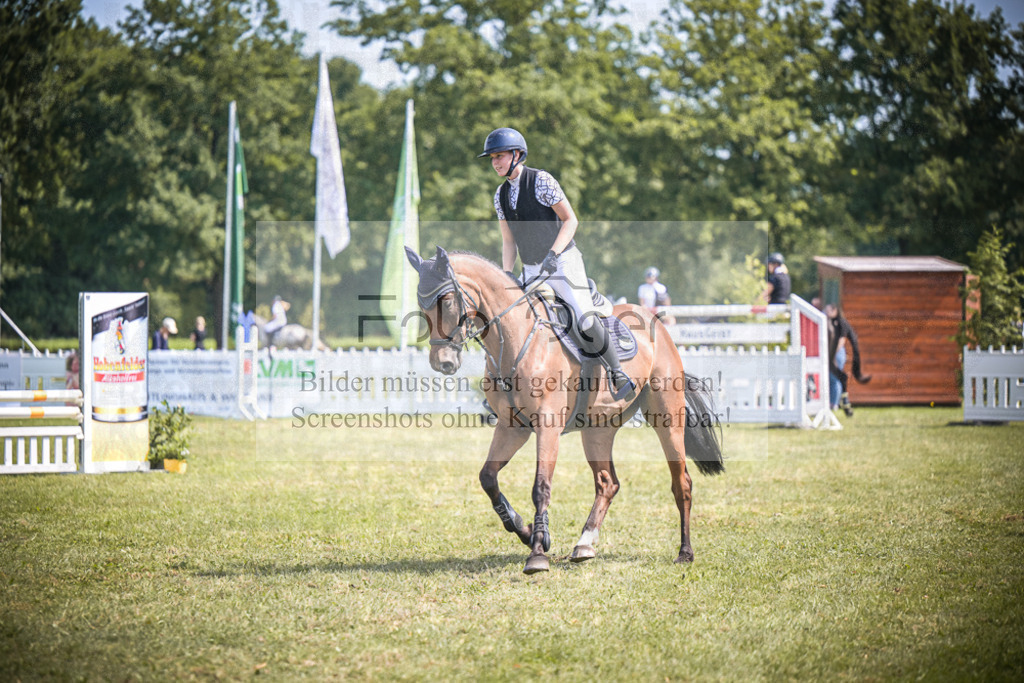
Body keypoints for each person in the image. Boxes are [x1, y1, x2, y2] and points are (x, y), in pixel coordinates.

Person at [480, 127, 635, 400]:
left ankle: (616, 371)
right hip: (530, 267)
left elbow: (570, 220)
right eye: (492, 158)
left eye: (500, 156)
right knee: (510, 320)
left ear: (517, 155)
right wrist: (506, 274)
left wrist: (554, 254)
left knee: (582, 315)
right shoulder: (500, 195)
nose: (495, 162)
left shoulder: (542, 181)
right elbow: (508, 241)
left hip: (563, 260)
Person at [824, 303, 871, 416]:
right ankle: (836, 402)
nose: (826, 313)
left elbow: (841, 341)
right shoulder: (831, 322)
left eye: (828, 310)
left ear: (835, 310)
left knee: (835, 379)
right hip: (833, 352)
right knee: (832, 378)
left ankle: (834, 404)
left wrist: (832, 354)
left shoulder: (841, 322)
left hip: (836, 353)